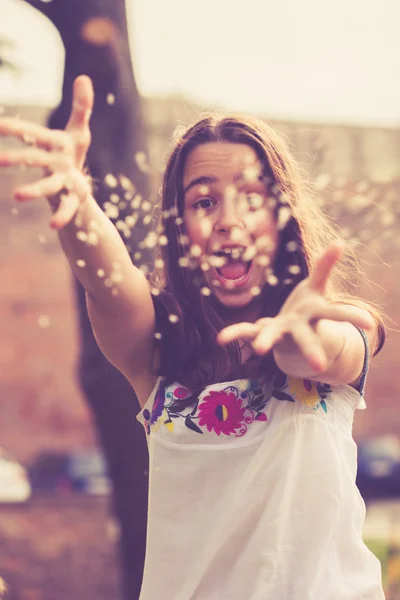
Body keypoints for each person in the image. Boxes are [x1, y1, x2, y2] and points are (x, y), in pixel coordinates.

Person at [0, 75, 386, 600]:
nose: (229, 221)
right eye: (204, 202)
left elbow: (321, 354)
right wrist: (78, 201)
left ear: (282, 215)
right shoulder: (156, 346)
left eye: (252, 197)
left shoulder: (341, 326)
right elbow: (108, 284)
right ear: (181, 226)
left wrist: (295, 342)